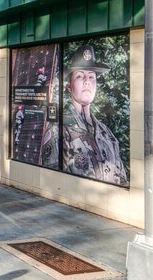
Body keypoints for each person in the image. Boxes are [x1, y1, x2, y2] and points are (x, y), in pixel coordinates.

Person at [44, 45, 127, 185]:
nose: (87, 81)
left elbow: (122, 179)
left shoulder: (107, 134)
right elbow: (52, 181)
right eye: (80, 76)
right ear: (69, 87)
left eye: (91, 77)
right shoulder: (59, 129)